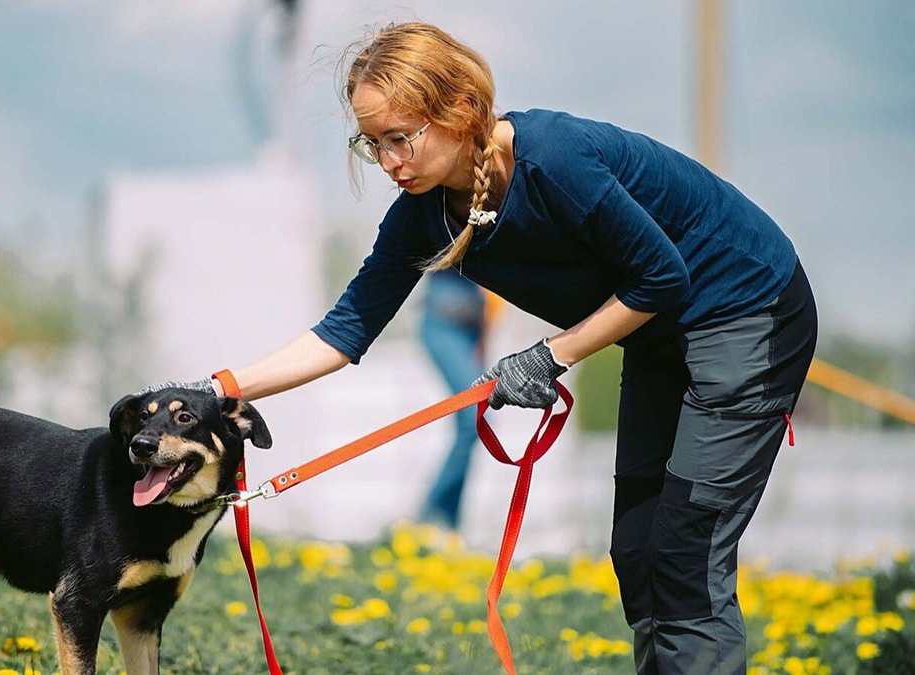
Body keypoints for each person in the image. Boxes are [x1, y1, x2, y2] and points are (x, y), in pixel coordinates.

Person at [138, 21, 817, 675]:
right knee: (638, 550)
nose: (389, 162)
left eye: (400, 138)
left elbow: (663, 276)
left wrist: (552, 355)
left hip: (748, 308)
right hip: (657, 332)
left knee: (685, 551)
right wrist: (218, 389)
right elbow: (343, 333)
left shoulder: (556, 160)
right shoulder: (424, 213)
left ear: (460, 109)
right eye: (373, 145)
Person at [416, 268, 487, 531]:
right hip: (445, 317)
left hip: (471, 321)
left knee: (474, 423)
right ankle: (431, 519)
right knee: (474, 419)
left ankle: (446, 524)